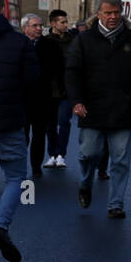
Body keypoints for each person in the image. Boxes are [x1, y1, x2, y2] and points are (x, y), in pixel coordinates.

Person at [64, 0, 131, 219]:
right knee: (88, 154)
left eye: (116, 12)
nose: (113, 17)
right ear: (98, 14)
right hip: (91, 108)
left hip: (123, 110)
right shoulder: (84, 40)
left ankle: (116, 204)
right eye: (108, 13)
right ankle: (85, 183)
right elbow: (72, 73)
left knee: (120, 160)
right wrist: (77, 101)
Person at [0, 0, 37, 262]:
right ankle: (0, 227)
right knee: (16, 178)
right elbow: (31, 83)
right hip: (10, 121)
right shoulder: (19, 42)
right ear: (4, 10)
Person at [20, 13, 53, 176]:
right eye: (35, 26)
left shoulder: (49, 45)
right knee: (21, 137)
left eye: (40, 25)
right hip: (22, 99)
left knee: (39, 136)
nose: (39, 28)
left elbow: (57, 71)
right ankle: (19, 167)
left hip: (42, 99)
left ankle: (36, 166)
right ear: (24, 28)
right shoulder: (17, 44)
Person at [42, 9, 75, 168]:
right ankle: (52, 154)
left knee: (64, 121)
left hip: (67, 89)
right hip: (49, 90)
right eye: (62, 22)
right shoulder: (45, 41)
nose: (66, 25)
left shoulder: (73, 41)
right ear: (53, 23)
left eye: (66, 21)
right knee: (50, 124)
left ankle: (61, 154)